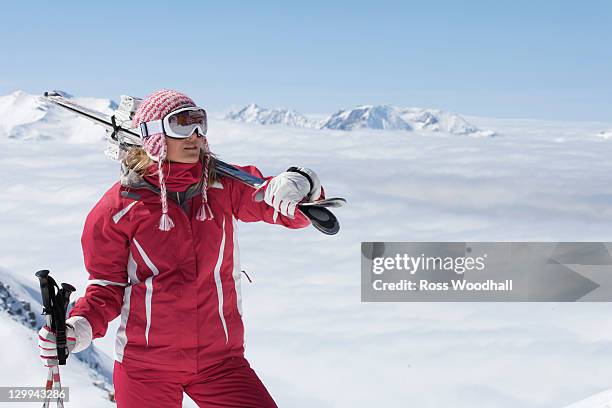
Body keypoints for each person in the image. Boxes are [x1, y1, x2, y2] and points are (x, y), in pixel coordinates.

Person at [38, 89, 324, 407]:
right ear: (154, 136)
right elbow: (107, 289)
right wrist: (78, 327)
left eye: (200, 123)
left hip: (221, 363)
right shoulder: (115, 210)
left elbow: (285, 208)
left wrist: (301, 183)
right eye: (181, 125)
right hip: (145, 370)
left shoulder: (224, 186)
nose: (195, 136)